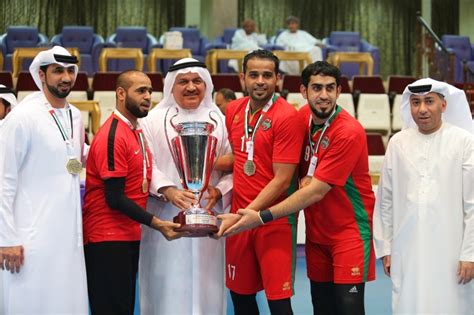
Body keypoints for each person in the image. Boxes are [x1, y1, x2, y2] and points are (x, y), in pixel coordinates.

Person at [219, 61, 376, 315]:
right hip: (316, 235)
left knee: (349, 307)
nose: (323, 95)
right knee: (322, 307)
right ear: (304, 91)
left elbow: (316, 191)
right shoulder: (300, 118)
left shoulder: (348, 132)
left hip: (349, 234)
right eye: (316, 88)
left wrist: (261, 216)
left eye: (330, 88)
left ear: (339, 91)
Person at [82, 70, 184, 315]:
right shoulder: (113, 134)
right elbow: (114, 197)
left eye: (149, 91)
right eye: (140, 91)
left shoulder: (135, 130)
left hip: (126, 234)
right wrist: (157, 223)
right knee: (112, 308)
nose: (147, 96)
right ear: (120, 93)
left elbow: (141, 179)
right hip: (106, 237)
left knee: (123, 307)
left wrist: (167, 193)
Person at [138, 58, 233, 315]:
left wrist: (220, 189)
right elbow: (147, 164)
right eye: (183, 81)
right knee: (166, 290)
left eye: (197, 81)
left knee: (209, 291)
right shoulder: (151, 120)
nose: (191, 87)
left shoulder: (220, 120)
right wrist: (168, 189)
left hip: (208, 219)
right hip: (166, 218)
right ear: (171, 86)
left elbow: (235, 164)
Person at [373, 78, 474, 314]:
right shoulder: (398, 143)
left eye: (429, 101)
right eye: (415, 102)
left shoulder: (464, 141)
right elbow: (385, 200)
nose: (422, 109)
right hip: (407, 248)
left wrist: (470, 253)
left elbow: (472, 203)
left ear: (444, 105)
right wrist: (386, 248)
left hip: (452, 251)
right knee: (410, 303)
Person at [0, 46, 88, 314]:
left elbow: (72, 158)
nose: (66, 77)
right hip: (29, 236)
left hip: (68, 235)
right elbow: (4, 181)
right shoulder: (23, 117)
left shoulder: (74, 115)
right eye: (58, 71)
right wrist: (6, 239)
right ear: (41, 74)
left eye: (70, 71)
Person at [222, 49, 304, 315]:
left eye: (267, 75)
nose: (260, 81)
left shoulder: (287, 117)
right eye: (254, 74)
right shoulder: (233, 110)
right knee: (241, 298)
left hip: (272, 220)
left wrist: (251, 214)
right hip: (240, 219)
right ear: (242, 77)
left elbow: (282, 180)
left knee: (278, 303)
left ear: (278, 79)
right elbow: (237, 157)